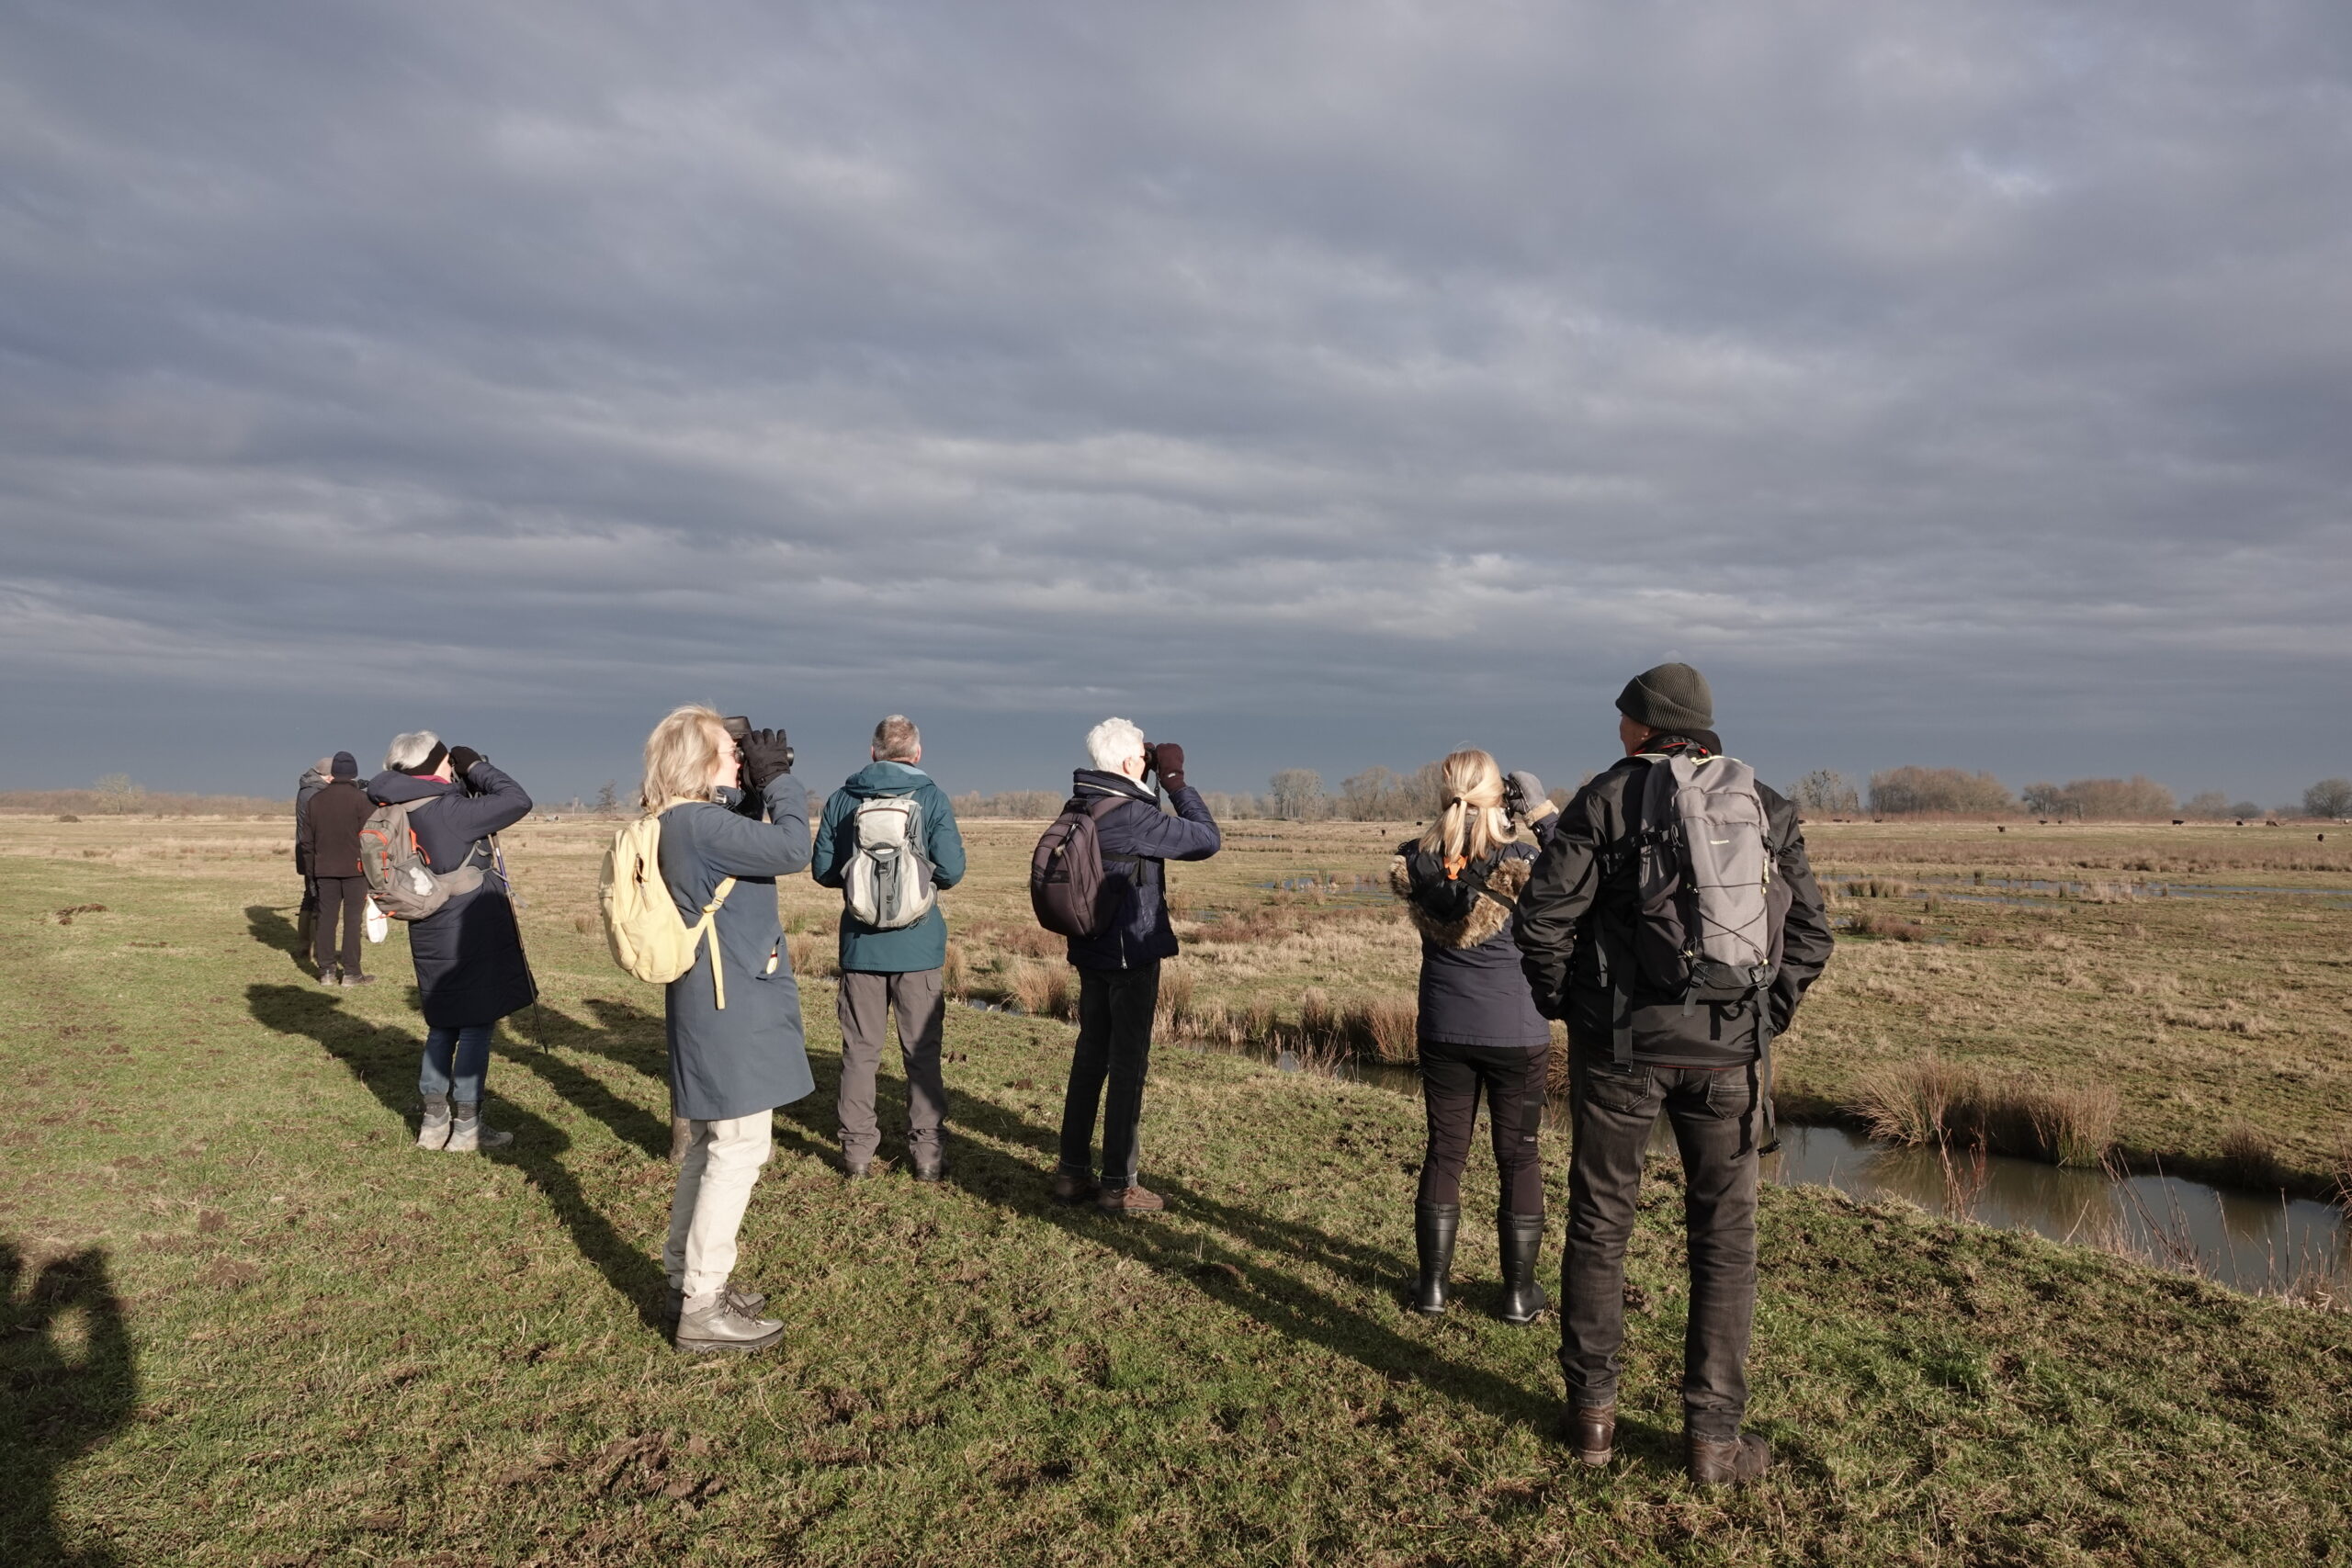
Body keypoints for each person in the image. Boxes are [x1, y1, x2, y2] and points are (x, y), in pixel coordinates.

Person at [1515, 663, 1833, 1485]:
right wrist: (1762, 1019)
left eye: (1623, 718)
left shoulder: (1606, 798)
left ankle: (1592, 1419)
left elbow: (1543, 919)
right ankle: (1714, 1442)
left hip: (1621, 1048)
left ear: (1646, 726)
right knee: (1725, 1241)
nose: (1616, 729)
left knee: (1600, 1221)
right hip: (1731, 1053)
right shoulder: (1764, 802)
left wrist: (1573, 1011)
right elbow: (1811, 937)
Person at [640, 705, 810, 1354]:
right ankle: (704, 1305)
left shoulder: (681, 821)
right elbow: (793, 846)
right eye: (729, 750)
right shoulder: (699, 824)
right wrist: (781, 783)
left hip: (712, 998)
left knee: (713, 1144)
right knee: (738, 1146)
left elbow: (738, 836)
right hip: (727, 1001)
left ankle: (689, 1280)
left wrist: (751, 779)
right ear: (697, 761)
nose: (740, 758)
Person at [1388, 750, 1558, 1324]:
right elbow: (1589, 876)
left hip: (1443, 1027)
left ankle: (1432, 1289)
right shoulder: (1528, 859)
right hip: (1518, 1029)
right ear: (1497, 797)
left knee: (1446, 1152)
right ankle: (1517, 1295)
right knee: (1519, 1157)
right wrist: (1541, 813)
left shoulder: (1417, 860)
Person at [1054, 717, 1221, 1215]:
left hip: (1089, 951)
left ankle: (1070, 1174)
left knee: (1089, 1061)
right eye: (1141, 761)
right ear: (1131, 763)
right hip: (1130, 955)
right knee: (1127, 1068)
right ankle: (1118, 1186)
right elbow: (1206, 839)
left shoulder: (1083, 803)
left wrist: (1142, 778)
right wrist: (1174, 781)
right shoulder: (1133, 817)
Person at [811, 715, 968, 1180]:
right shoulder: (932, 797)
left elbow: (822, 870)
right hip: (918, 948)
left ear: (873, 751)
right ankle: (926, 1156)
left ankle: (857, 1153)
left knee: (860, 1052)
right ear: (916, 754)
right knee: (921, 1054)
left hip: (860, 948)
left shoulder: (843, 798)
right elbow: (954, 871)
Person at [367, 732, 537, 1155]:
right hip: (468, 932)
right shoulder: (451, 811)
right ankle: (467, 1128)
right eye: (446, 762)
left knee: (442, 1025)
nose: (451, 768)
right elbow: (517, 799)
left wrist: (458, 776)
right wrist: (475, 766)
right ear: (434, 766)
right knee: (476, 1027)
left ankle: (432, 1122)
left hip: (428, 927)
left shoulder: (397, 805)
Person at [299, 751, 378, 987]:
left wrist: (312, 870)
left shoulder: (315, 801)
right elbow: (371, 839)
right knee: (352, 921)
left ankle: (326, 972)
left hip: (323, 869)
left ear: (333, 774)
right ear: (354, 773)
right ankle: (352, 973)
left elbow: (307, 841)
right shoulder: (362, 801)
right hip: (356, 869)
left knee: (326, 919)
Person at [295, 756, 332, 950]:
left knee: (310, 895)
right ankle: (316, 945)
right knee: (317, 897)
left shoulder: (308, 789)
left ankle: (304, 943)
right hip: (313, 852)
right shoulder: (314, 794)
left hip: (306, 850)